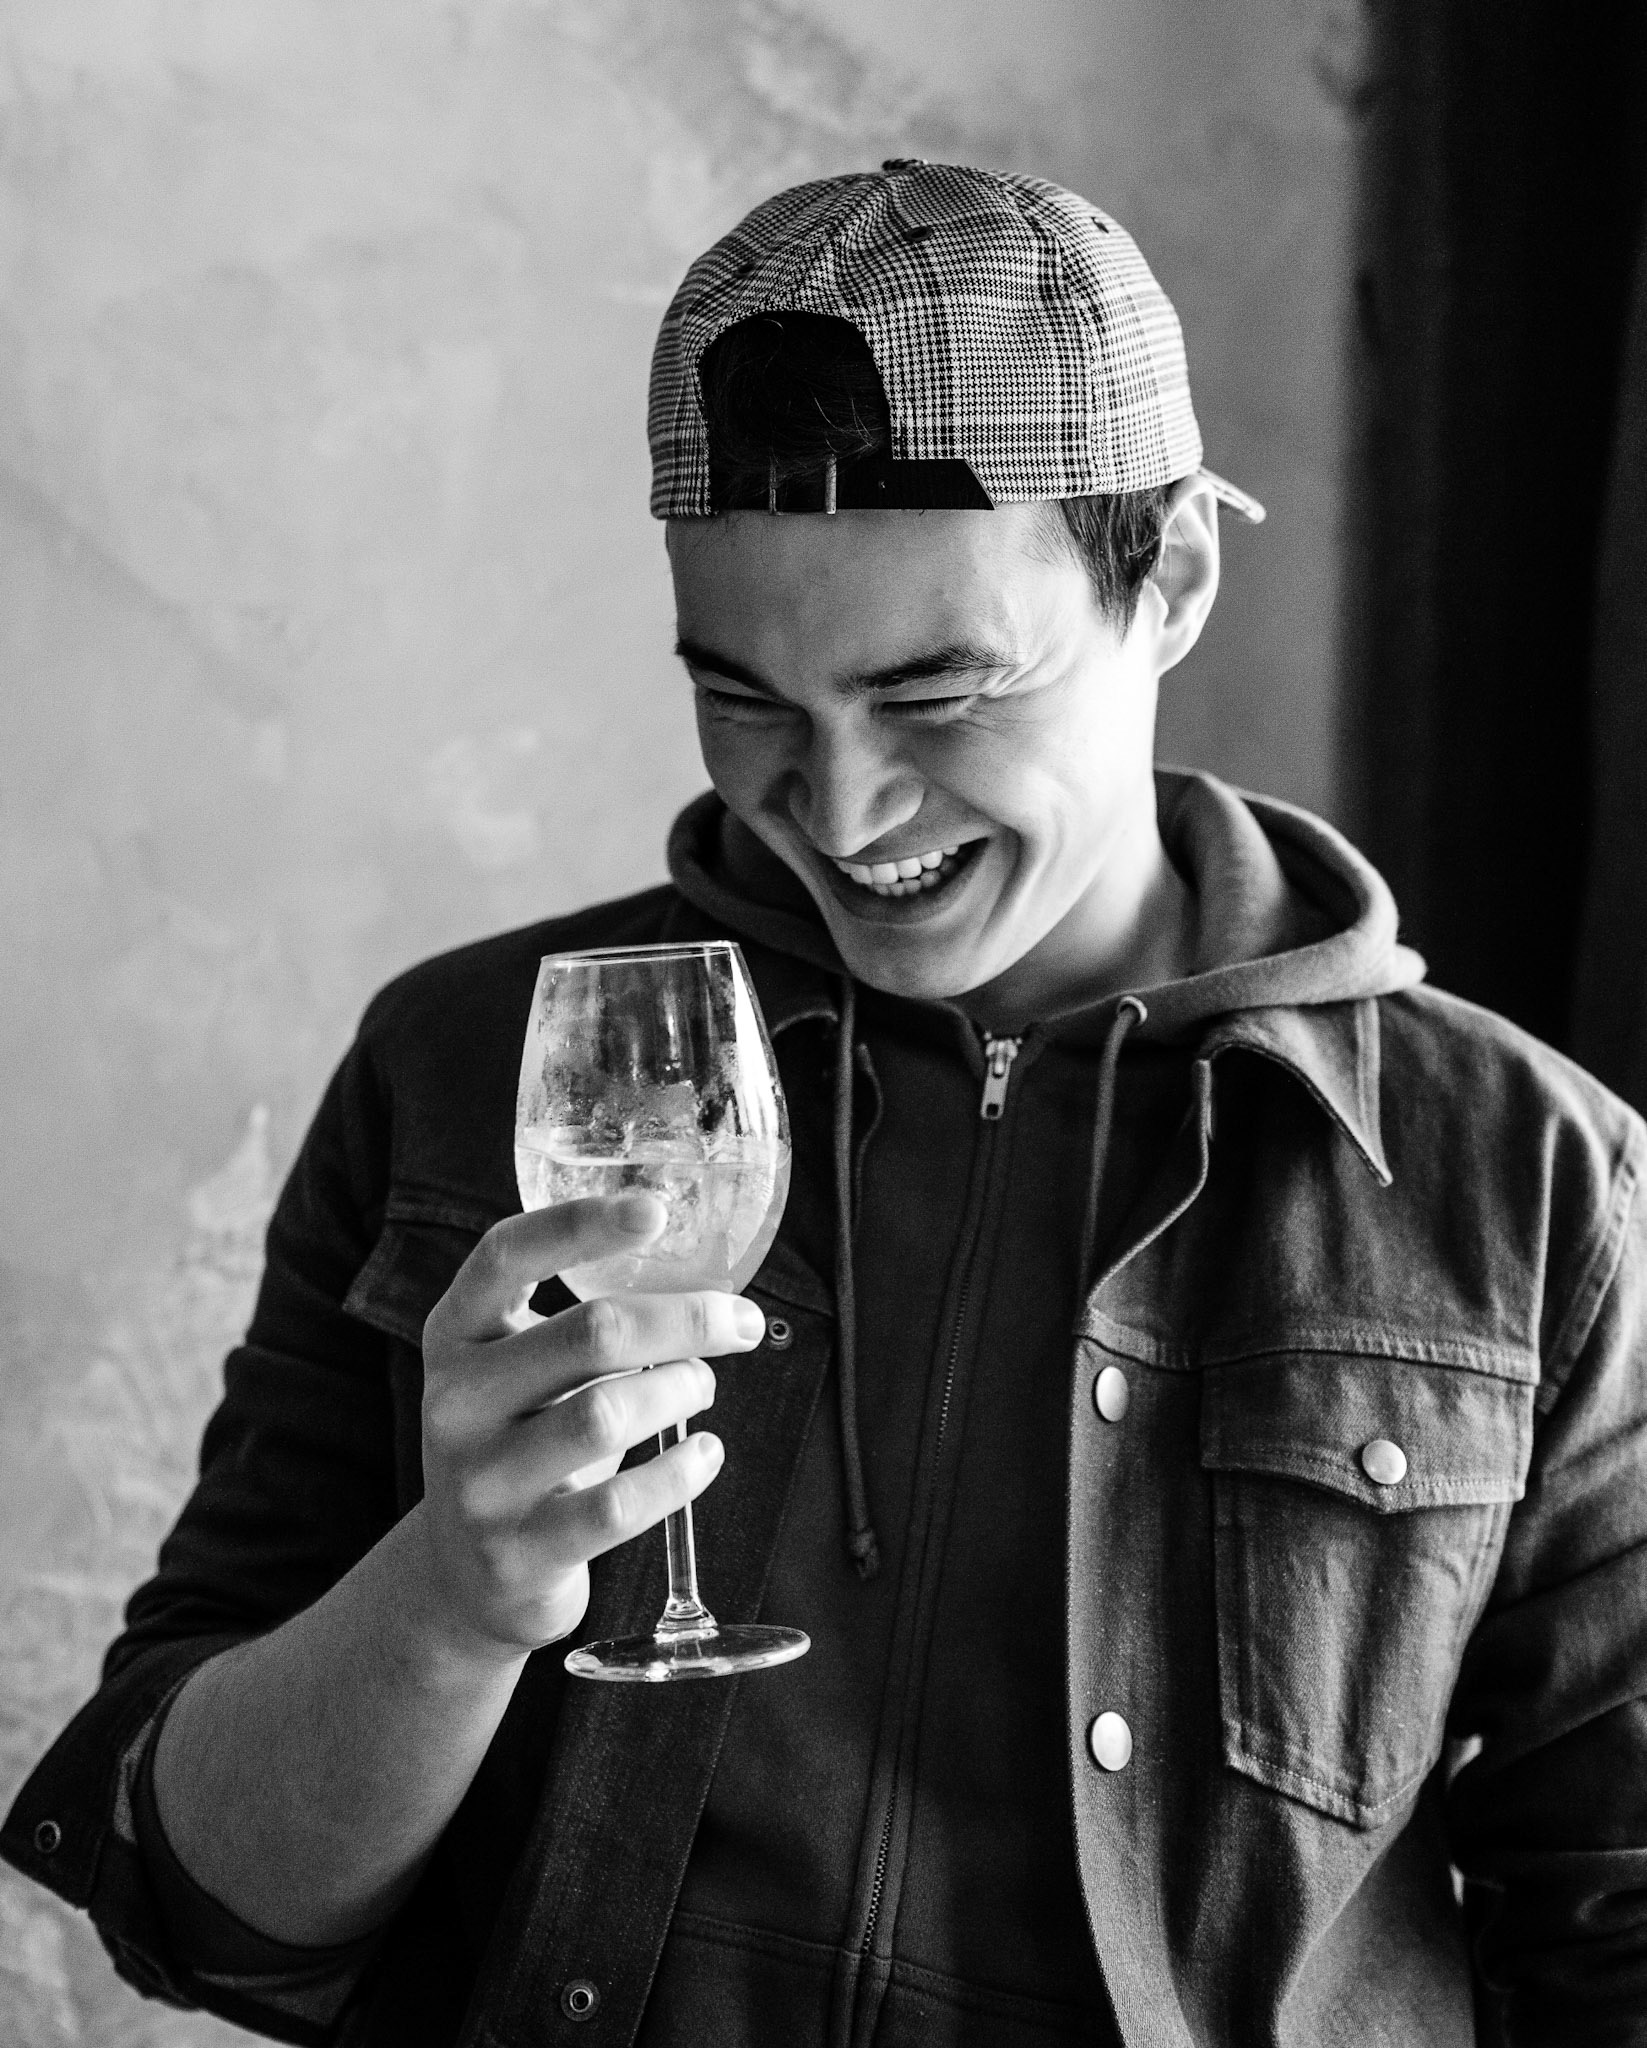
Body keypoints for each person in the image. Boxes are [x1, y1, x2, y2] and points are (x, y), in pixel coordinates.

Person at [6, 160, 1647, 2048]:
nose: (843, 811)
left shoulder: (1538, 1185)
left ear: (1175, 578)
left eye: (937, 692)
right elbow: (193, 1908)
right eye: (747, 698)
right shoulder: (467, 1072)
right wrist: (450, 1603)